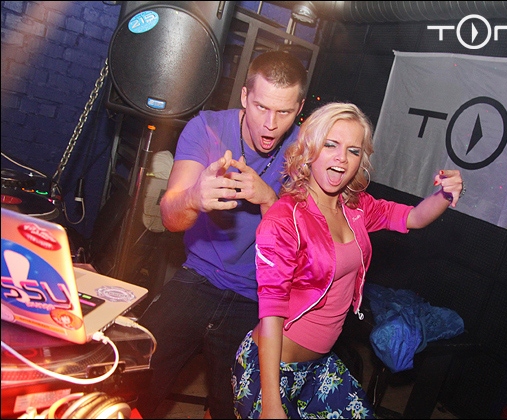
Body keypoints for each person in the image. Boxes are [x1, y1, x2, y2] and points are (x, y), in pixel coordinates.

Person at [232, 102, 464, 419]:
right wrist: (271, 404)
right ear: (309, 149)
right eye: (331, 144)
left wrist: (445, 194)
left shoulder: (355, 207)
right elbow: (271, 313)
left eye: (353, 150)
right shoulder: (285, 219)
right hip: (270, 370)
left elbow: (414, 217)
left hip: (319, 366)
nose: (342, 157)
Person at [135, 51, 307, 419]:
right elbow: (170, 217)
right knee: (134, 374)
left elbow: (301, 249)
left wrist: (269, 199)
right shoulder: (207, 127)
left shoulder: (304, 152)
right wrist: (193, 198)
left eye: (284, 112)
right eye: (261, 107)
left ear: (300, 108)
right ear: (245, 96)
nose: (270, 125)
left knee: (234, 407)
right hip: (198, 276)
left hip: (257, 295)